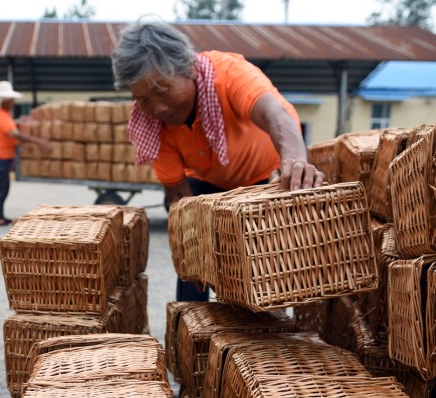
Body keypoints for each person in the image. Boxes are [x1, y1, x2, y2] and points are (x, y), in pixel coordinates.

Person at [111, 18, 324, 300]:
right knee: (190, 262)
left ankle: (269, 331)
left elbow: (275, 114)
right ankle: (188, 332)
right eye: (144, 99)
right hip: (208, 183)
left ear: (187, 68)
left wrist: (295, 162)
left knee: (266, 266)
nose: (158, 107)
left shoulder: (228, 73)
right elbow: (178, 194)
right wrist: (196, 251)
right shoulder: (150, 123)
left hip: (264, 179)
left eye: (163, 91)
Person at [0, 80, 52, 226]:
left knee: (2, 186)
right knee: (0, 187)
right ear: (2, 100)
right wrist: (38, 142)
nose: (13, 102)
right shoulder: (0, 115)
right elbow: (14, 134)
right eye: (10, 100)